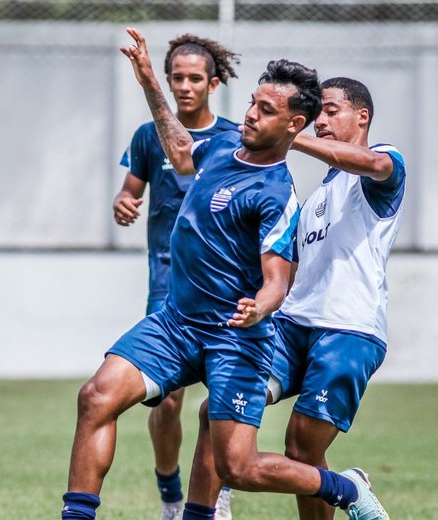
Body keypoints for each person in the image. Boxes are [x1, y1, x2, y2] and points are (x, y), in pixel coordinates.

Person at [61, 27, 387, 520]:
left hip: (235, 337)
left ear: (294, 125)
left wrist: (263, 304)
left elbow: (278, 278)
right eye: (253, 103)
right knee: (95, 398)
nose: (251, 114)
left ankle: (343, 488)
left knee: (239, 466)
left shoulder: (277, 194)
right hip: (176, 323)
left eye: (266, 111)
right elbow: (177, 148)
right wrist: (149, 79)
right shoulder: (219, 148)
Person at [187, 77, 403, 520]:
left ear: (361, 116)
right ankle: (209, 510)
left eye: (330, 110)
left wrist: (293, 136)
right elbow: (290, 269)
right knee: (217, 409)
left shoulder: (383, 165)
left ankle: (350, 488)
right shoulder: (316, 196)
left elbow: (367, 162)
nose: (322, 120)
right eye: (316, 112)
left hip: (348, 330)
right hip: (291, 326)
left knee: (302, 448)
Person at [113, 33, 239, 520]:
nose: (185, 86)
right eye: (177, 78)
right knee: (164, 403)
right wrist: (125, 202)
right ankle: (170, 496)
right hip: (167, 289)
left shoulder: (232, 139)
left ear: (213, 82)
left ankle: (217, 489)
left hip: (225, 288)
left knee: (222, 399)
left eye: (194, 78)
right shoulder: (148, 137)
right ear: (167, 81)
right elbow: (130, 189)